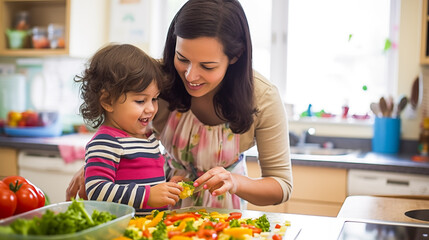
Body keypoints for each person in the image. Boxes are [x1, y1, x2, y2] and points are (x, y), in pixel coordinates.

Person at [67, 0, 292, 210]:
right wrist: (97, 166)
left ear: (235, 56)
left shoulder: (262, 97)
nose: (190, 75)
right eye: (182, 58)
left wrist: (235, 181)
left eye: (207, 66)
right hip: (162, 205)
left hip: (224, 215)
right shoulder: (153, 80)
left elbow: (281, 186)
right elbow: (119, 126)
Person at [74, 43, 182, 215]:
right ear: (108, 101)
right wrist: (148, 196)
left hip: (149, 229)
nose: (151, 109)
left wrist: (168, 185)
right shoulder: (106, 142)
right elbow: (97, 191)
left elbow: (143, 180)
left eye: (154, 99)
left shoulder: (148, 138)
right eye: (140, 101)